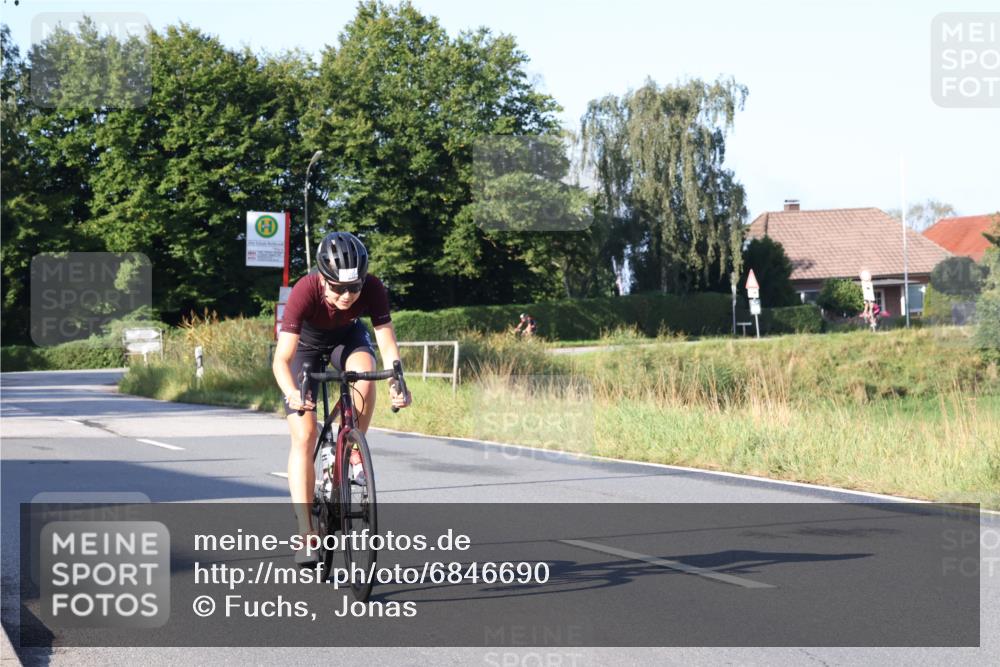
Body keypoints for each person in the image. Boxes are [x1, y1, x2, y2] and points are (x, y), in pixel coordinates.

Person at [272, 232, 411, 564]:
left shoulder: (373, 288)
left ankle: (351, 448)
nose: (347, 296)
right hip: (305, 349)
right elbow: (282, 359)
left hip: (346, 339)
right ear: (323, 279)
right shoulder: (305, 291)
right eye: (338, 288)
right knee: (304, 435)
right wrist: (292, 393)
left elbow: (387, 343)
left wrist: (398, 381)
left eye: (355, 287)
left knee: (366, 372)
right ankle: (306, 533)